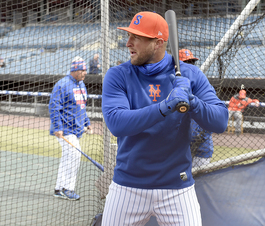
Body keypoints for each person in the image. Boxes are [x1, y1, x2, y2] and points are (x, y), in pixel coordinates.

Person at [101, 11, 228, 225]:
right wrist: (166, 106)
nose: (128, 43)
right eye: (129, 36)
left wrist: (192, 102)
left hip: (177, 187)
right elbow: (117, 123)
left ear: (158, 43)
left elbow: (220, 121)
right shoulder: (118, 75)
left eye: (136, 38)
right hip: (128, 185)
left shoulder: (191, 75)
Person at [49, 56, 92, 201]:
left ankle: (59, 188)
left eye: (86, 70)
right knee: (74, 156)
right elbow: (54, 107)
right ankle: (68, 188)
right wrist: (58, 127)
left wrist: (87, 122)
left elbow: (82, 106)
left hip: (76, 129)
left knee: (68, 158)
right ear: (75, 70)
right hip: (65, 129)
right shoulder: (62, 84)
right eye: (83, 70)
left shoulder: (81, 85)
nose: (85, 73)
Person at [179, 48, 213, 168]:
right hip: (181, 151)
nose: (190, 66)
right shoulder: (173, 88)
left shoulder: (201, 87)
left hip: (201, 150)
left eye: (192, 63)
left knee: (196, 182)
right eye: (186, 63)